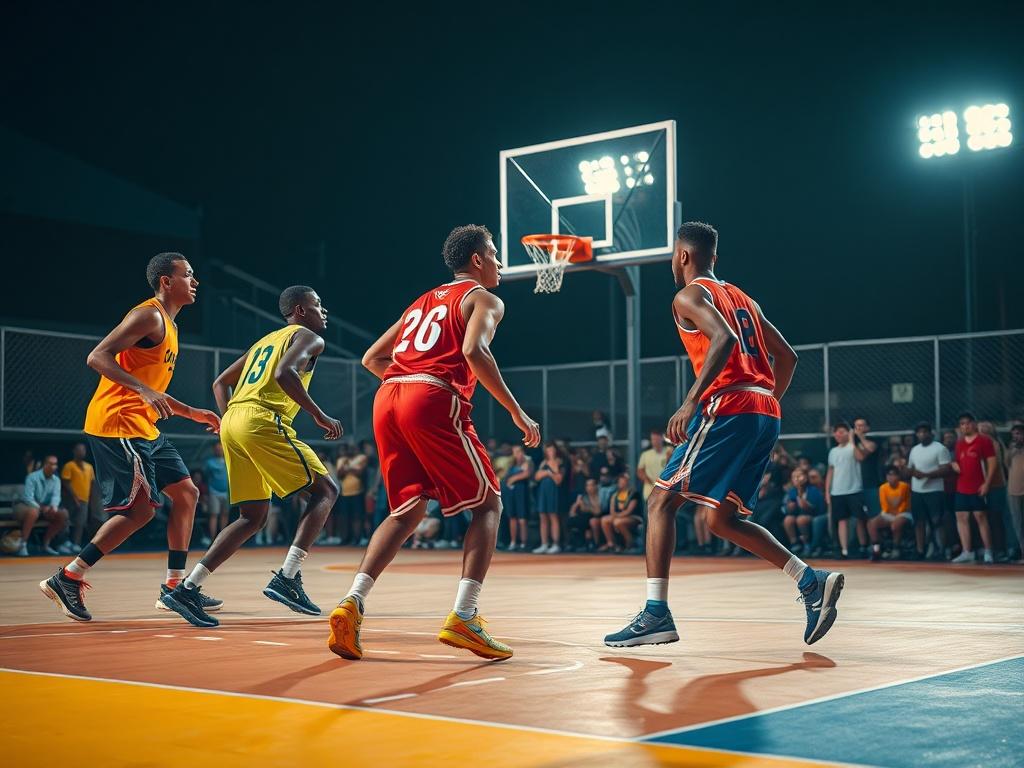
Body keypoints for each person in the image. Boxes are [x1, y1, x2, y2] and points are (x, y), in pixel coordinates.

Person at [604, 221, 842, 649]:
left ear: (683, 256)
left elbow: (724, 338)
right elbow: (787, 356)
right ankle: (810, 581)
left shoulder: (689, 295)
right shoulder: (744, 298)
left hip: (728, 405)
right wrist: (763, 402)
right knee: (721, 518)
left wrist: (691, 400)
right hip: (763, 409)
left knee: (659, 501)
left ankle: (656, 614)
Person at [329, 224, 540, 662]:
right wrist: (516, 411)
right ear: (478, 260)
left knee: (406, 510)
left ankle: (352, 601)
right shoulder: (484, 298)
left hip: (388, 398)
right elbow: (475, 352)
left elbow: (372, 358)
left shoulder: (420, 302)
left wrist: (406, 389)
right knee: (489, 504)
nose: (500, 263)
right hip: (431, 394)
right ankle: (464, 616)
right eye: (495, 255)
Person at [39, 253, 221, 622]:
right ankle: (68, 577)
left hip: (144, 425)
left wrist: (192, 412)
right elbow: (97, 356)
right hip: (117, 423)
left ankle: (175, 587)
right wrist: (142, 391)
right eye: (187, 275)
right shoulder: (148, 315)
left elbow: (153, 390)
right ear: (166, 282)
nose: (194, 281)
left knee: (187, 493)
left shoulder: (170, 324)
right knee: (140, 512)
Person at [159, 286, 342, 627]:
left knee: (252, 516)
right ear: (300, 310)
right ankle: (287, 577)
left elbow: (220, 382)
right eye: (318, 304)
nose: (324, 310)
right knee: (326, 491)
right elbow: (283, 373)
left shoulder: (265, 341)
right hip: (261, 420)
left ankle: (187, 588)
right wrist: (319, 415)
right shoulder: (307, 337)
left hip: (234, 422)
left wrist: (230, 419)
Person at [951, 412, 996, 564]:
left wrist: (987, 483)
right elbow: (957, 461)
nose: (965, 426)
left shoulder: (984, 441)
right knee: (961, 517)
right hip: (962, 486)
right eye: (962, 424)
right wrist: (954, 464)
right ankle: (967, 551)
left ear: (974, 424)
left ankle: (988, 551)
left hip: (978, 486)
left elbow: (992, 463)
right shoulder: (959, 443)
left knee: (981, 517)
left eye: (968, 423)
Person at [907, 422, 951, 560]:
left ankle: (941, 549)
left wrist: (926, 475)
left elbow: (946, 469)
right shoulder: (914, 450)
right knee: (919, 521)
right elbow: (910, 468)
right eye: (919, 432)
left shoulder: (940, 448)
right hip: (917, 491)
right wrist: (909, 472)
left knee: (937, 521)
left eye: (925, 432)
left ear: (930, 433)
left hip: (934, 490)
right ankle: (920, 550)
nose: (922, 434)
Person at [826, 421, 868, 559]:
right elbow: (830, 471)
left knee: (860, 519)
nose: (838, 434)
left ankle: (863, 547)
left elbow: (860, 457)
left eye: (842, 431)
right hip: (837, 491)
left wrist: (852, 441)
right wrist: (827, 491)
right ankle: (844, 550)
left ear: (848, 433)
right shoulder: (833, 451)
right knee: (841, 521)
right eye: (836, 432)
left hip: (854, 489)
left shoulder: (852, 448)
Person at [14, 455, 69, 556]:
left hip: (44, 508)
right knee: (33, 512)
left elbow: (56, 497)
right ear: (44, 465)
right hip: (24, 505)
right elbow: (28, 498)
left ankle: (46, 545)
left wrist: (53, 507)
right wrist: (42, 508)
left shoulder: (56, 480)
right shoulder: (32, 477)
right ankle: (23, 545)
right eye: (51, 464)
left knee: (63, 514)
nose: (53, 466)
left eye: (55, 464)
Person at [868, 466, 912, 561]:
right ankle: (877, 550)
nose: (891, 477)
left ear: (898, 476)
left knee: (896, 525)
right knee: (872, 523)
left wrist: (896, 515)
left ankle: (896, 550)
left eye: (894, 475)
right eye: (889, 475)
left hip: (903, 513)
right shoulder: (883, 488)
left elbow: (904, 505)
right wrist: (891, 514)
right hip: (888, 513)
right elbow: (885, 506)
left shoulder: (904, 486)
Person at [60, 443, 96, 551]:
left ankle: (76, 543)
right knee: (65, 521)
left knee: (80, 523)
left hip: (84, 500)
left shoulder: (89, 467)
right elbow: (66, 482)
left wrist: (90, 499)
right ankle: (63, 543)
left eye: (83, 450)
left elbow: (92, 483)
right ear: (74, 451)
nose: (81, 452)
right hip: (70, 500)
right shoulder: (69, 465)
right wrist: (74, 497)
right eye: (79, 450)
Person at [783, 468, 825, 556]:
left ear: (806, 478)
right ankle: (795, 544)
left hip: (813, 515)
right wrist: (790, 507)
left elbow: (815, 509)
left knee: (801, 519)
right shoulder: (792, 491)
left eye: (799, 476)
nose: (796, 479)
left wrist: (802, 499)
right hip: (798, 515)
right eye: (794, 477)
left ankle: (807, 544)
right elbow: (788, 510)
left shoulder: (813, 490)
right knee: (788, 519)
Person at [532, 442, 565, 554]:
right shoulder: (543, 462)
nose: (550, 452)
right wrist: (547, 472)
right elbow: (536, 477)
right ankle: (544, 544)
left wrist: (548, 472)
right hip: (543, 491)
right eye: (548, 450)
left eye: (551, 449)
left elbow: (558, 479)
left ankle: (556, 544)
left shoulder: (559, 462)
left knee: (553, 516)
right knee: (543, 516)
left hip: (553, 491)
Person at [600, 472, 642, 552]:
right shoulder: (615, 494)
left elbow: (629, 511)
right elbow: (612, 511)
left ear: (627, 483)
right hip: (618, 516)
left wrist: (617, 516)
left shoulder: (633, 494)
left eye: (624, 482)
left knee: (617, 522)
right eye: (620, 482)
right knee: (604, 520)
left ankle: (630, 543)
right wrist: (615, 515)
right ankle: (612, 544)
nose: (621, 484)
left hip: (634, 517)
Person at [501, 444, 533, 551]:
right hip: (511, 493)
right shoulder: (511, 464)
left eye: (519, 451)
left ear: (523, 452)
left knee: (522, 519)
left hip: (522, 492)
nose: (517, 454)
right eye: (514, 452)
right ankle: (513, 542)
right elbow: (505, 477)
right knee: (512, 518)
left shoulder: (528, 461)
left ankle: (524, 543)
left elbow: (527, 474)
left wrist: (513, 478)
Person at [336, 443, 369, 545]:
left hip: (357, 492)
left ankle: (357, 539)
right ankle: (345, 539)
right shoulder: (341, 460)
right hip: (344, 493)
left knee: (357, 516)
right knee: (344, 517)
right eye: (349, 449)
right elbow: (339, 475)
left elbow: (359, 473)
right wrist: (351, 469)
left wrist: (347, 468)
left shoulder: (361, 458)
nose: (351, 450)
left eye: (353, 448)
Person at [853, 418, 882, 518]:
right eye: (857, 426)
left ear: (868, 427)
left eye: (862, 425)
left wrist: (861, 437)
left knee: (875, 514)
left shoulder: (874, 440)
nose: (859, 428)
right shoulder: (853, 443)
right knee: (859, 517)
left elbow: (868, 450)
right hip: (855, 485)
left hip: (871, 483)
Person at [202, 442, 230, 547]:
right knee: (214, 515)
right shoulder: (209, 463)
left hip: (226, 492)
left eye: (220, 448)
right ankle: (213, 540)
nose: (219, 450)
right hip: (214, 492)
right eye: (217, 448)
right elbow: (205, 477)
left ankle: (222, 540)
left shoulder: (228, 460)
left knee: (224, 514)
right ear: (214, 450)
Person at [637, 430, 671, 503]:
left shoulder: (669, 451)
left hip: (665, 492)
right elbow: (640, 471)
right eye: (653, 439)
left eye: (657, 439)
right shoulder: (645, 454)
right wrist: (647, 479)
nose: (655, 441)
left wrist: (669, 459)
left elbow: (674, 467)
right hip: (649, 492)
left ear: (662, 439)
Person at [568, 477, 602, 550]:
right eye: (587, 485)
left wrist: (585, 507)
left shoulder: (600, 495)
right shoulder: (583, 496)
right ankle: (579, 543)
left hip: (598, 516)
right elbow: (572, 512)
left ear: (596, 486)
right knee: (572, 520)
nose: (589, 487)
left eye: (591, 485)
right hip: (585, 518)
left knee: (587, 520)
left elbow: (598, 512)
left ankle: (594, 543)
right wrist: (577, 503)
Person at [1006, 424, 1024, 563]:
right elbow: (1006, 464)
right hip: (1014, 490)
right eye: (1014, 434)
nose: (1017, 437)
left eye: (1019, 433)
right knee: (1018, 523)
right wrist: (1012, 451)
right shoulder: (1011, 449)